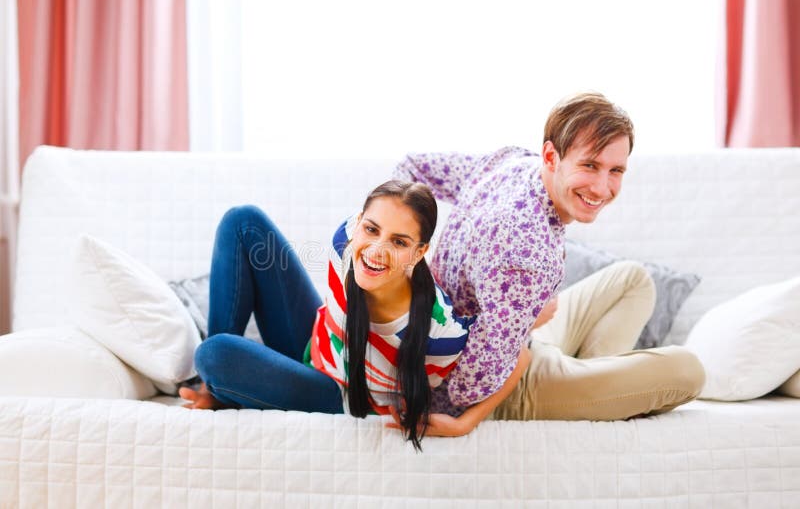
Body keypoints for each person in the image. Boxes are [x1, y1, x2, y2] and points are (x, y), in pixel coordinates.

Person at [391, 92, 705, 428]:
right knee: (688, 371)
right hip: (506, 384)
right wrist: (526, 322)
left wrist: (405, 263)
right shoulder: (528, 252)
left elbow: (411, 168)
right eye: (589, 165)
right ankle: (581, 386)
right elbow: (469, 387)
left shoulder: (511, 164)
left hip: (519, 338)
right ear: (551, 156)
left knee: (634, 279)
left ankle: (583, 379)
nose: (601, 188)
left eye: (615, 170)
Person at [179, 181, 530, 449]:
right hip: (311, 344)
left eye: (399, 242)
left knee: (215, 354)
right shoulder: (345, 240)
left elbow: (520, 353)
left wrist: (463, 424)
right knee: (243, 222)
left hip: (340, 396)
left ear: (419, 253)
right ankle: (217, 390)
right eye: (372, 229)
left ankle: (222, 384)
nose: (376, 251)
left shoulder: (440, 335)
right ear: (359, 222)